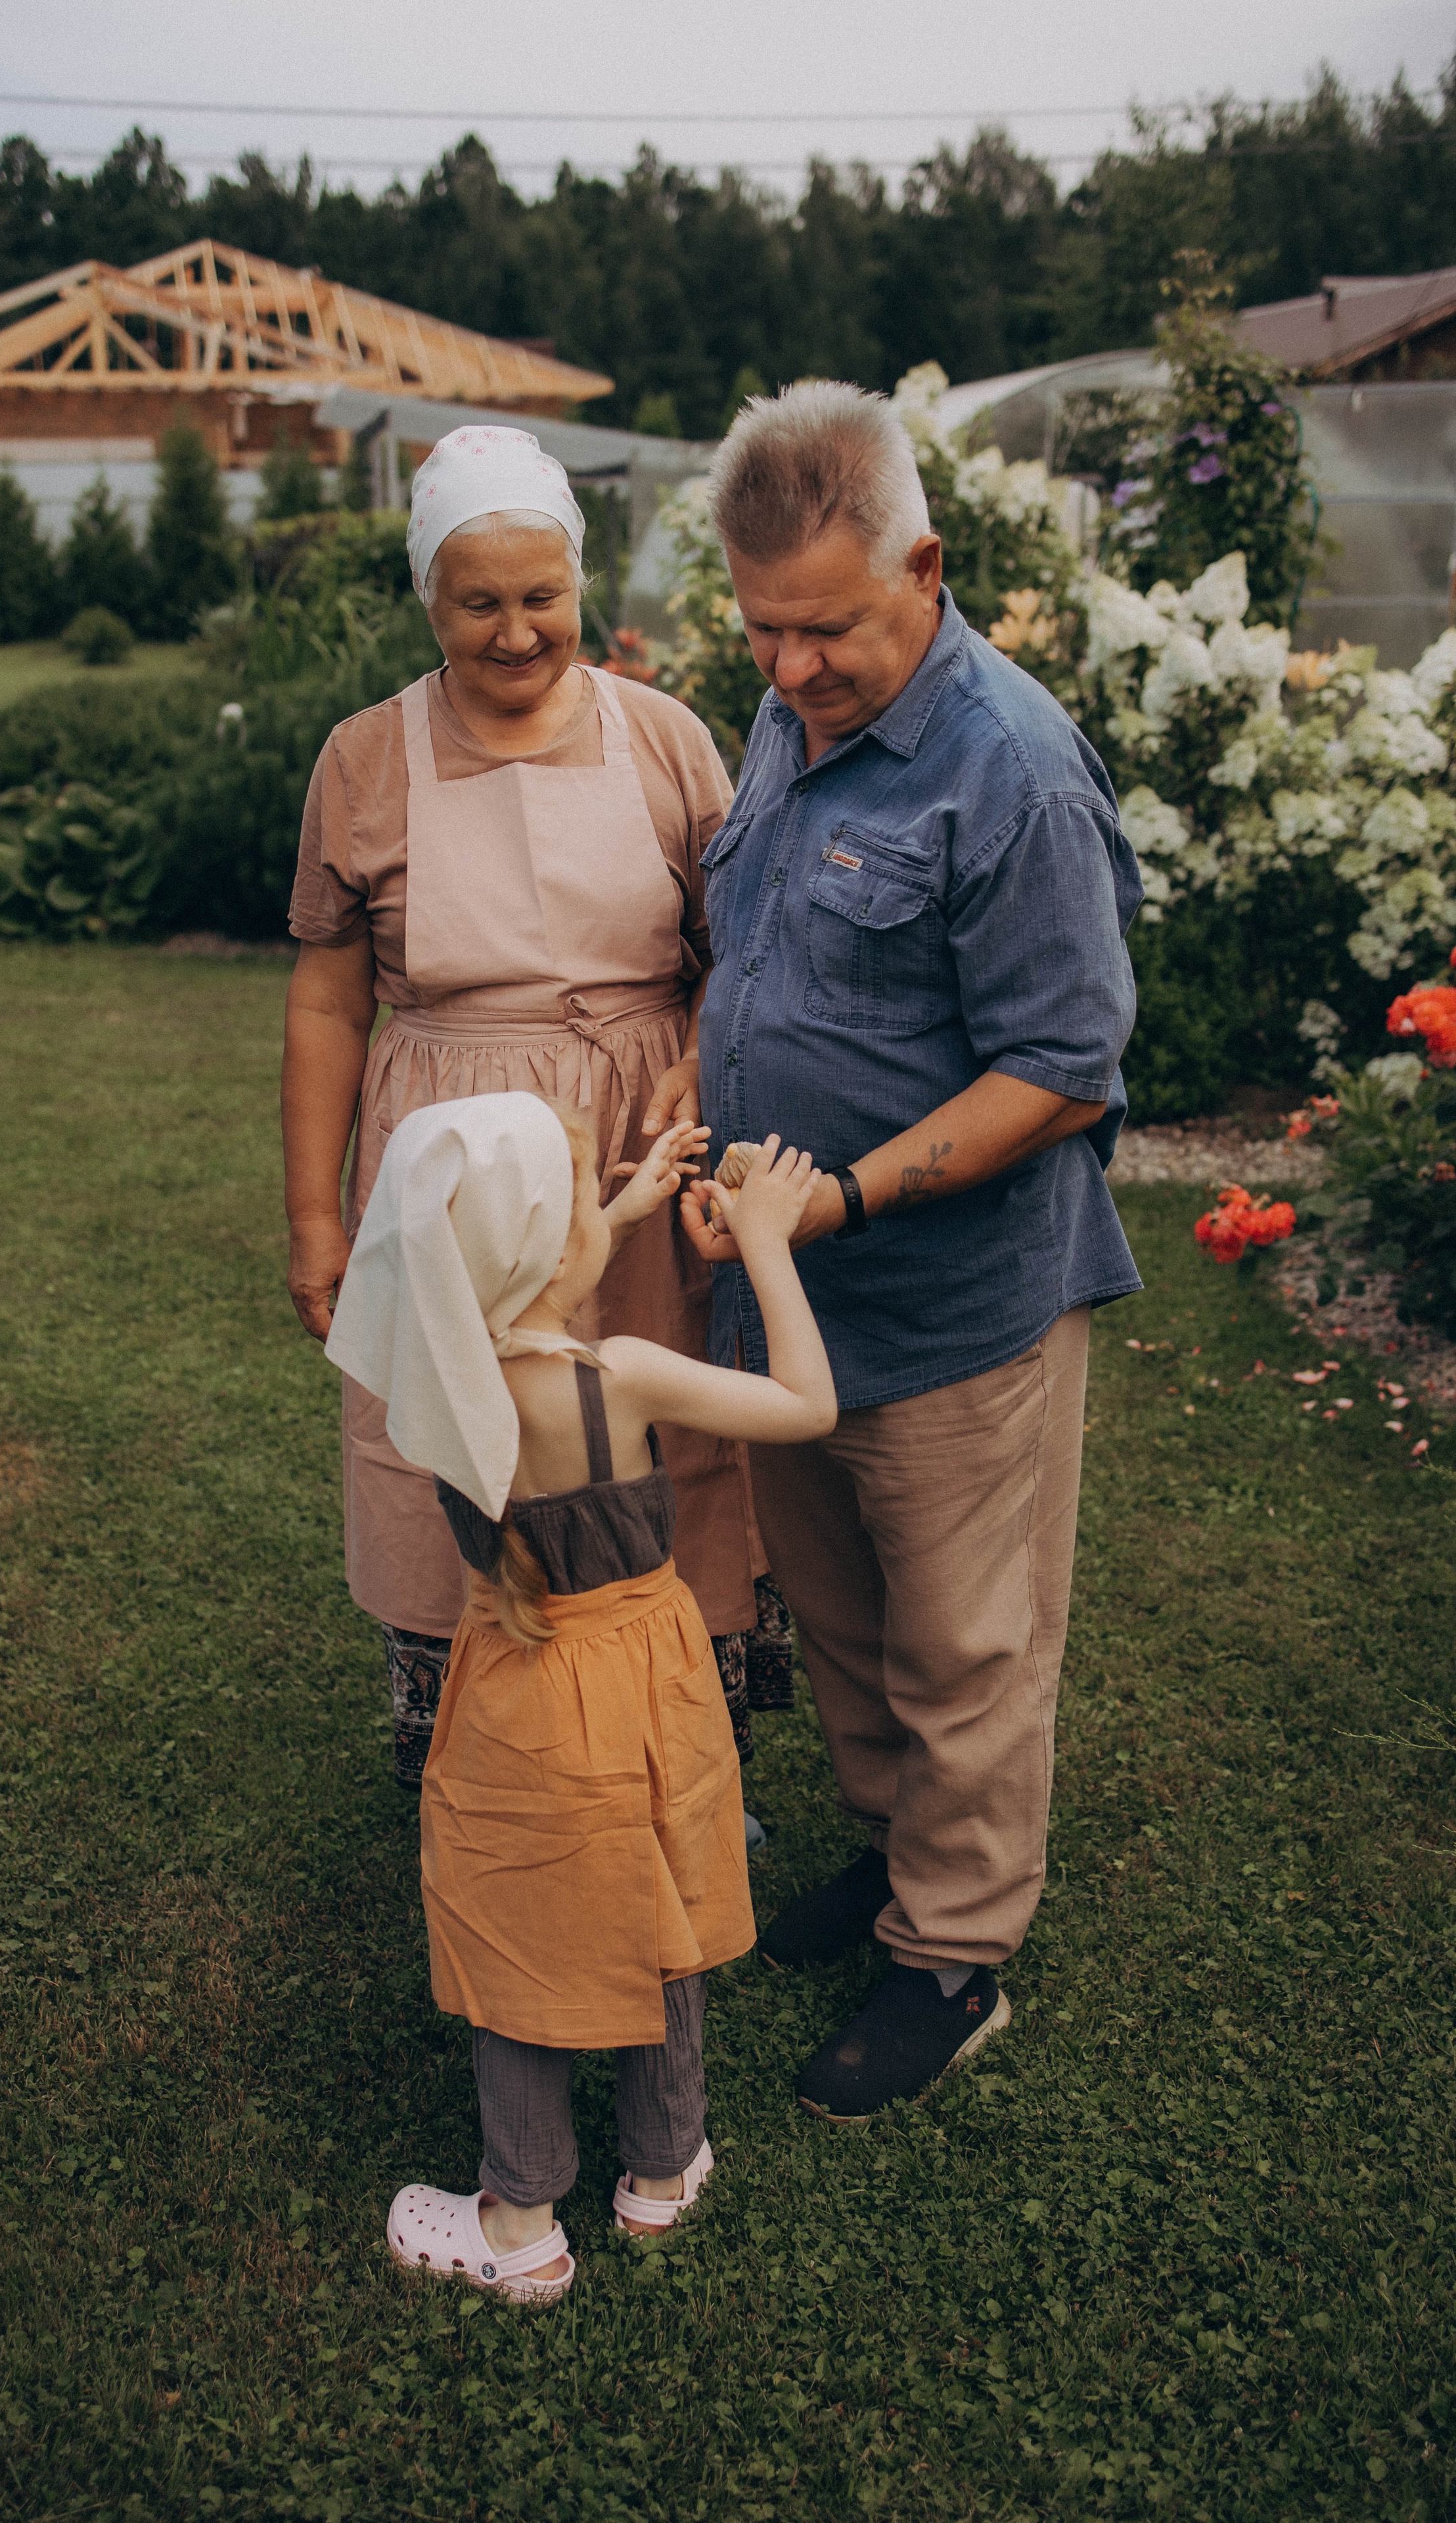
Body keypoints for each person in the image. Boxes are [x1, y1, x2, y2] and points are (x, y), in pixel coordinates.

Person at [680, 381, 1144, 2122]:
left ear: (928, 567)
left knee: (968, 1645)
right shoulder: (789, 708)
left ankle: (953, 1954)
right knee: (844, 1610)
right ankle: (892, 1865)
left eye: (828, 632)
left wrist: (848, 1194)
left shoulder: (1012, 773)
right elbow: (776, 946)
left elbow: (1062, 1066)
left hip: (950, 1303)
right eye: (764, 633)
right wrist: (699, 1080)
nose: (791, 672)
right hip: (790, 1297)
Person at [282, 423, 791, 1790]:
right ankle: (477, 1738)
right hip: (448, 1156)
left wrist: (698, 1058)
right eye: (478, 603)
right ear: (427, 602)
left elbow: (737, 951)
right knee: (454, 1421)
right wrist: (315, 1222)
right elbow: (330, 1003)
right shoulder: (364, 759)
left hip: (636, 1138)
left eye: (541, 597)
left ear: (580, 584)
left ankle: (678, 1727)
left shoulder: (665, 739)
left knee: (658, 1421)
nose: (515, 633)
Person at [327, 1093, 836, 2300]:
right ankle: (663, 2171)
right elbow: (810, 1406)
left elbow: (488, 1294)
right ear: (556, 1255)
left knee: (525, 1921)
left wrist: (615, 1207)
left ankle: (524, 2216)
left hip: (525, 1686)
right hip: (650, 1674)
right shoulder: (631, 1376)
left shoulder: (444, 1380)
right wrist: (763, 1240)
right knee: (665, 1877)